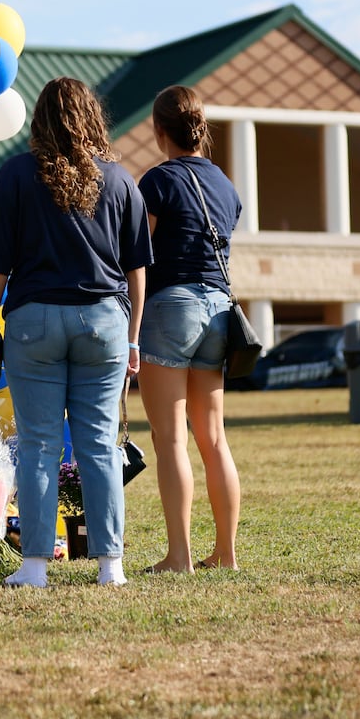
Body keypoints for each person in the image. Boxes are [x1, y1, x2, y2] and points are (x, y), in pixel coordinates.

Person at [0, 77, 152, 589]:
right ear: (91, 118)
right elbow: (138, 270)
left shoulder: (13, 176)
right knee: (99, 444)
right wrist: (135, 338)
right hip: (104, 323)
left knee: (37, 445)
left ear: (40, 122)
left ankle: (34, 567)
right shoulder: (120, 182)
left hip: (33, 322)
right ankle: (110, 567)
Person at [133, 85, 244, 573]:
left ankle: (179, 556)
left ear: (160, 131)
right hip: (219, 308)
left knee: (170, 438)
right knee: (213, 438)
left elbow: (138, 254)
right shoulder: (226, 185)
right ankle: (226, 553)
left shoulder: (156, 182)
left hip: (171, 306)